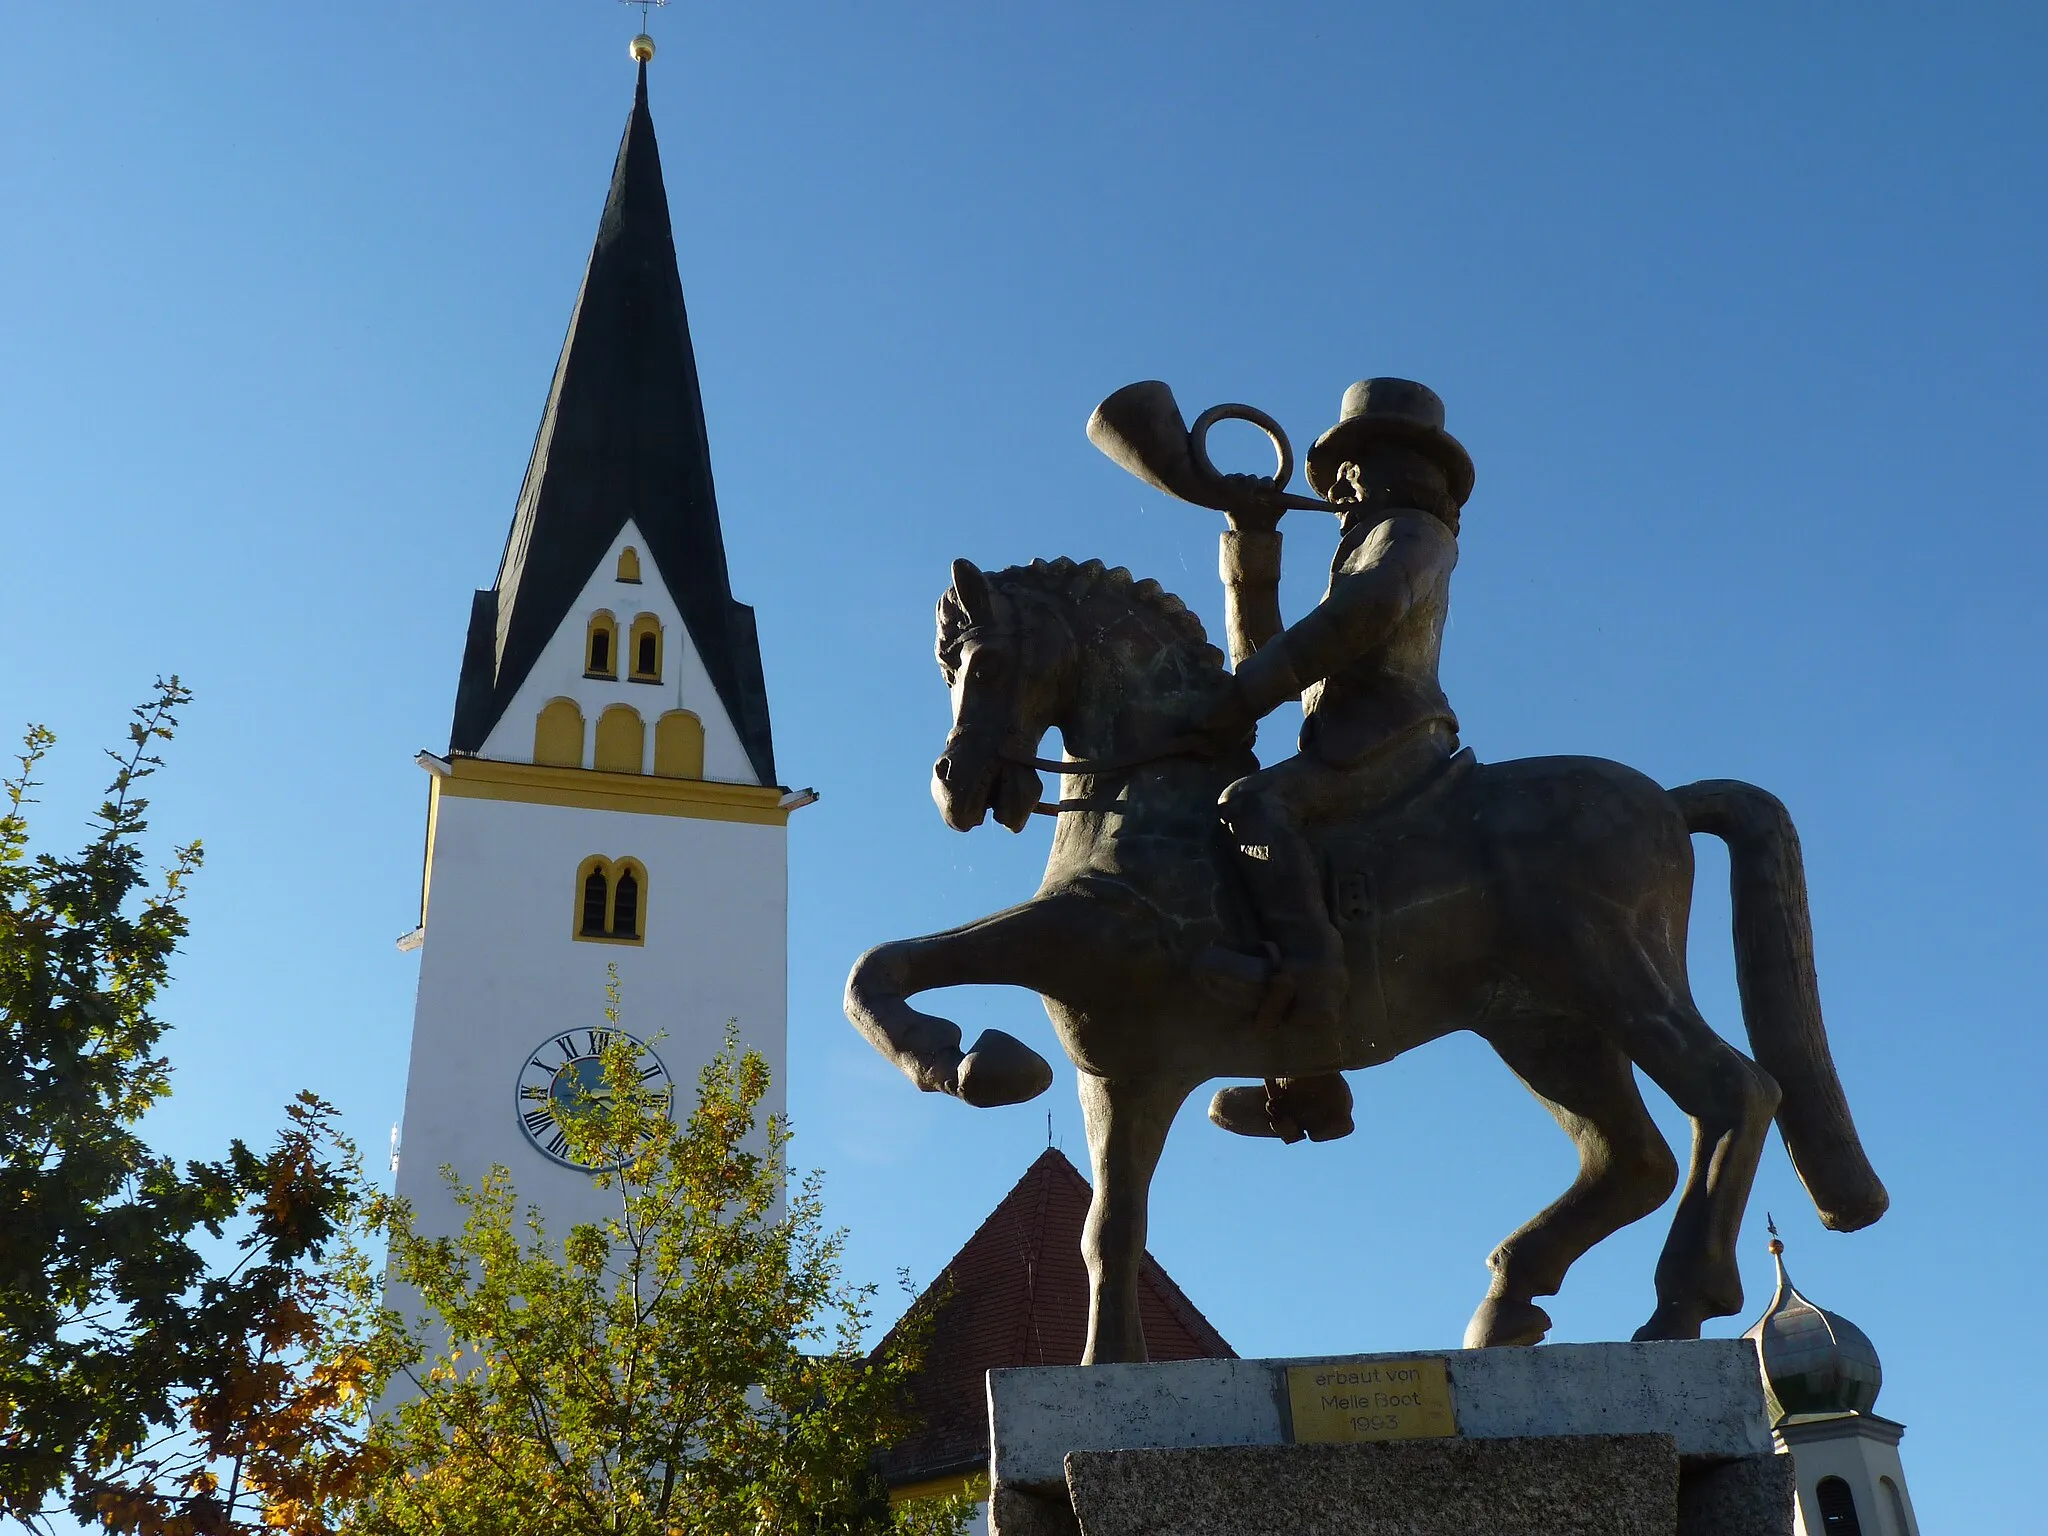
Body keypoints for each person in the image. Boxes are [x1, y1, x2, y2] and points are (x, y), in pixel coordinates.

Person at [1193, 379, 1474, 1143]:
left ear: (1396, 468)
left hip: (1391, 739)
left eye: (1353, 467)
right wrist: (1251, 542)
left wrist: (1248, 691)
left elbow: (1370, 611)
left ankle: (1314, 995)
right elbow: (1266, 654)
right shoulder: (1360, 545)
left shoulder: (1414, 533)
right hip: (1340, 742)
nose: (1341, 487)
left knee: (1252, 806)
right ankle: (1302, 1075)